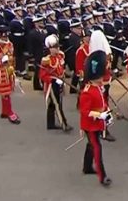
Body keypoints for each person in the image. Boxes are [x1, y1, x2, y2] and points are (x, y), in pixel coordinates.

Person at [79, 50, 113, 187]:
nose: (102, 78)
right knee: (97, 148)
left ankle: (87, 167)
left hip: (98, 122)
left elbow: (103, 103)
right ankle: (102, 176)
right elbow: (85, 111)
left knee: (91, 145)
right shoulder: (87, 92)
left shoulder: (98, 88)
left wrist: (107, 114)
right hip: (90, 125)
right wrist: (100, 115)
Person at [0, 25, 21, 124]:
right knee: (6, 94)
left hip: (9, 72)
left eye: (6, 36)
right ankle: (9, 112)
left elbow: (12, 58)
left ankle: (4, 111)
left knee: (7, 93)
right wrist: (0, 61)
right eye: (2, 37)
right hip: (1, 74)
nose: (5, 38)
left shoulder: (10, 45)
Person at [40, 35, 72, 132]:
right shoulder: (46, 60)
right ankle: (64, 123)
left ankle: (51, 123)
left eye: (58, 47)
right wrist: (53, 79)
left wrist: (62, 77)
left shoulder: (60, 56)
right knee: (56, 104)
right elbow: (42, 75)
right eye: (54, 47)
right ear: (49, 49)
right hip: (51, 85)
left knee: (55, 104)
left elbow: (61, 69)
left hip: (59, 82)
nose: (57, 49)